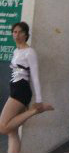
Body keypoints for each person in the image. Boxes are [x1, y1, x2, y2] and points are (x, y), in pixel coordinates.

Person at [0, 22, 53, 153]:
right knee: (12, 132)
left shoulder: (30, 52)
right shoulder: (16, 51)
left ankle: (35, 111)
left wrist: (39, 100)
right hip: (15, 89)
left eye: (20, 32)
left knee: (3, 127)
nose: (16, 35)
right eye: (14, 32)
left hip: (21, 91)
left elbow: (35, 76)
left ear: (26, 35)